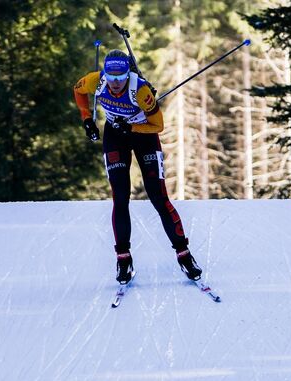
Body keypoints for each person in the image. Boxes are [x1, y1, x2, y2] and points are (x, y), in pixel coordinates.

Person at [73, 49, 202, 284]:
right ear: (105, 74)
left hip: (144, 136)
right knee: (120, 197)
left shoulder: (140, 91)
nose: (114, 84)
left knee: (158, 197)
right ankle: (123, 260)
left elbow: (158, 125)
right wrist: (87, 120)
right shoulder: (96, 80)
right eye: (111, 78)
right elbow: (78, 90)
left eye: (120, 78)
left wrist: (132, 128)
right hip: (115, 136)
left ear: (127, 75)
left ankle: (184, 255)